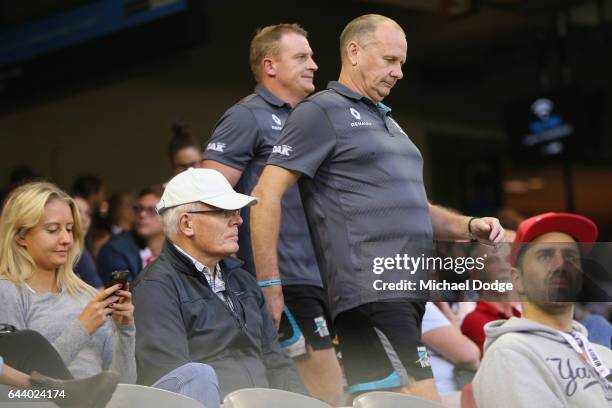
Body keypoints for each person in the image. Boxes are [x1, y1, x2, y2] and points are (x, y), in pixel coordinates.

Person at [249, 14, 504, 402]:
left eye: (401, 62)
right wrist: (270, 284)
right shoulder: (320, 111)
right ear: (354, 52)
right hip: (371, 292)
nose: (399, 72)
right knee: (421, 399)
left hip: (409, 294)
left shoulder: (389, 122)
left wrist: (470, 226)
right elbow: (266, 193)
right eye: (389, 60)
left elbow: (417, 210)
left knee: (384, 400)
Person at [202, 23, 342, 405]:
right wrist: (257, 283)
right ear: (270, 66)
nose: (313, 64)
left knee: (326, 393)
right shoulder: (247, 116)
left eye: (311, 55)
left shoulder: (311, 119)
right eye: (301, 56)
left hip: (321, 280)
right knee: (326, 395)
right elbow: (207, 198)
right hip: (282, 280)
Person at [132, 168, 306, 401]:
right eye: (224, 212)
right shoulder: (154, 288)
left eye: (236, 211)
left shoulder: (243, 280)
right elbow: (174, 387)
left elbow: (277, 363)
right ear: (187, 224)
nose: (238, 219)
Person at [0, 182, 136, 382]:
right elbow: (19, 386)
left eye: (70, 229)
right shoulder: (8, 292)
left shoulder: (87, 295)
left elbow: (125, 384)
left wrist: (126, 331)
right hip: (51, 402)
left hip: (104, 402)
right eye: (53, 229)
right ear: (21, 236)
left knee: (193, 373)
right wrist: (82, 328)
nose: (66, 239)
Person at [474, 212, 612, 407]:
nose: (561, 265)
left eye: (571, 257)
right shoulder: (510, 354)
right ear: (517, 280)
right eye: (545, 256)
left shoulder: (602, 354)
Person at [0, 329, 119, 408]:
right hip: (48, 397)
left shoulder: (91, 295)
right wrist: (82, 329)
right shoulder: (17, 293)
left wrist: (126, 332)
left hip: (99, 396)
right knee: (27, 341)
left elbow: (122, 381)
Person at [461, 231, 521, 357]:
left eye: (508, 260)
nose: (504, 267)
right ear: (475, 271)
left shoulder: (521, 316)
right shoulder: (475, 320)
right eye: (493, 261)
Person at [97, 185, 165, 285]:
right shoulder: (114, 250)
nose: (142, 214)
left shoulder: (179, 247)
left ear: (168, 215)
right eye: (138, 208)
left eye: (152, 210)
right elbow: (120, 296)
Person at [73, 196, 103, 288]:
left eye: (87, 214)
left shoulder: (82, 248)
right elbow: (98, 291)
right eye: (77, 212)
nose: (83, 219)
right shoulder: (76, 247)